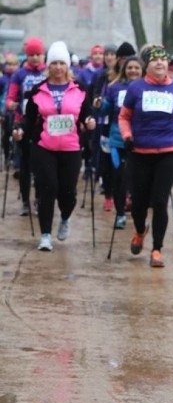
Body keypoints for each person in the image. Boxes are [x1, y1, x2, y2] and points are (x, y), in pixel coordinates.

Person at [13, 41, 96, 251]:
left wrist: (89, 122)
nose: (58, 67)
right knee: (48, 188)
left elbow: (86, 113)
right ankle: (46, 236)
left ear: (67, 66)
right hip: (44, 147)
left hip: (71, 147)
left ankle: (65, 218)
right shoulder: (37, 90)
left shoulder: (79, 89)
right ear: (48, 66)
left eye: (62, 63)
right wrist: (20, 130)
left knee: (67, 192)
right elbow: (28, 118)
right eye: (54, 63)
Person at [118, 45, 173, 268]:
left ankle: (157, 249)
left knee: (160, 201)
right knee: (139, 201)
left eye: (163, 60)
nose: (160, 64)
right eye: (154, 61)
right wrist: (127, 135)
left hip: (170, 151)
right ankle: (140, 230)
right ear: (147, 66)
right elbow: (124, 117)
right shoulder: (136, 88)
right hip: (140, 152)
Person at [96, 55, 144, 230]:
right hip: (118, 140)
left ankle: (139, 212)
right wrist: (99, 105)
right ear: (124, 70)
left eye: (136, 68)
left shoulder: (149, 88)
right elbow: (105, 110)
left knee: (139, 180)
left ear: (142, 71)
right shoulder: (114, 88)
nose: (133, 71)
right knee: (120, 179)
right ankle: (121, 214)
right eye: (130, 68)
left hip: (142, 140)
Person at [7, 37, 46, 216]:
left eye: (38, 54)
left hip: (43, 125)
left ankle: (39, 199)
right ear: (27, 56)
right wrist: (10, 104)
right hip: (23, 123)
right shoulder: (20, 74)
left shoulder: (47, 73)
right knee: (25, 164)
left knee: (40, 166)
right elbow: (11, 96)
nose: (35, 58)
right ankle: (25, 201)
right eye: (32, 55)